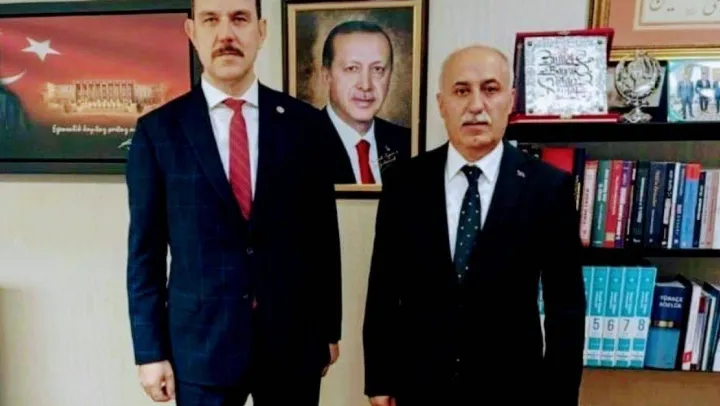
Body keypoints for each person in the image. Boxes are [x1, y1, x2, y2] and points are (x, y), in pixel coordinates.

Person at [125, 0, 342, 405]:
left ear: (261, 31)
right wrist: (150, 351)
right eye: (211, 20)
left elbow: (323, 239)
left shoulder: (305, 125)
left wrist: (329, 329)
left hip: (292, 342)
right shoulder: (158, 132)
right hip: (200, 348)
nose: (226, 33)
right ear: (192, 32)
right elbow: (145, 254)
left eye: (240, 18)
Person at [362, 45, 586, 405]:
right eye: (462, 90)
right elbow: (384, 288)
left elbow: (566, 307)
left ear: (510, 100)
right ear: (442, 104)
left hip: (512, 387)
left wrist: (559, 396)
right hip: (420, 384)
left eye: (490, 89)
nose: (476, 105)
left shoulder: (548, 188)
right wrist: (380, 379)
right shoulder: (405, 183)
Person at [319, 20, 411, 185]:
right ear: (327, 75)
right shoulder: (299, 145)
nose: (366, 85)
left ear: (390, 75)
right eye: (352, 69)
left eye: (377, 69)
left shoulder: (408, 143)